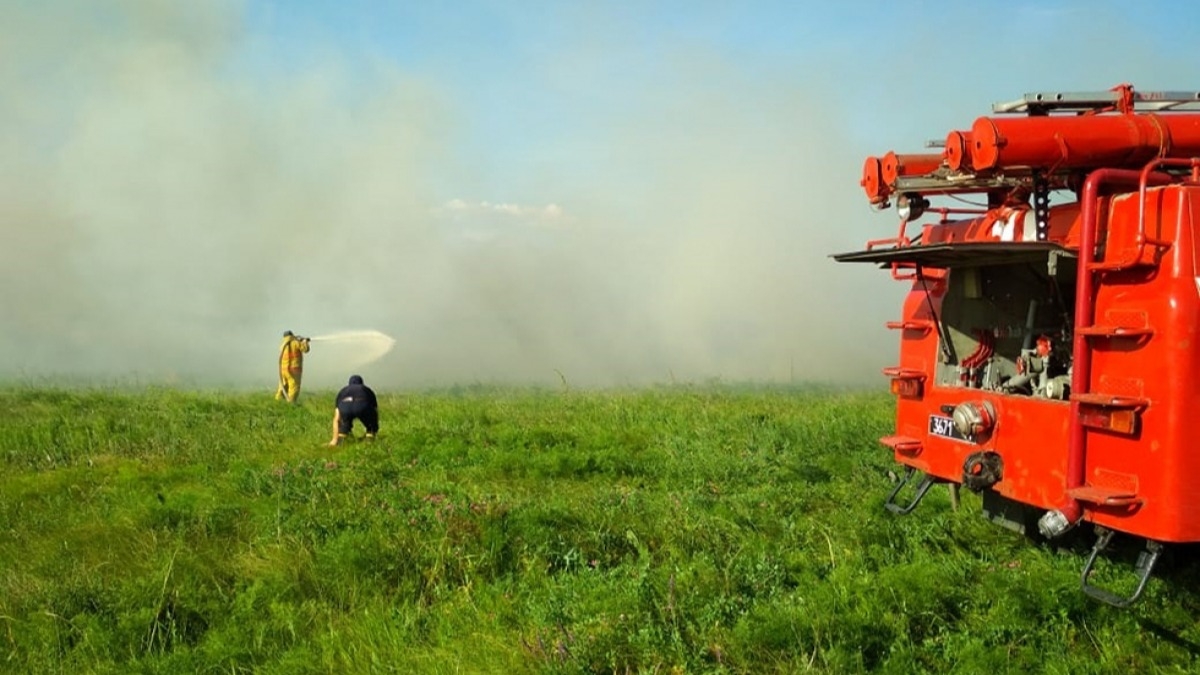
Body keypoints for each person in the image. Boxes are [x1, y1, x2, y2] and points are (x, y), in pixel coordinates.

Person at [329, 374, 379, 445]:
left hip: (345, 407)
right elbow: (375, 410)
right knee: (371, 425)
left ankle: (342, 438)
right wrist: (374, 425)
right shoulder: (366, 389)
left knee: (344, 425)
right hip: (362, 405)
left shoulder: (343, 390)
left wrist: (334, 439)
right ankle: (369, 439)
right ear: (361, 383)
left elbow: (336, 418)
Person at [275, 330, 311, 403]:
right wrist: (305, 342)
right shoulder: (295, 342)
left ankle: (278, 402)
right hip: (294, 371)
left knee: (282, 387)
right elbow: (305, 349)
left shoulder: (282, 344)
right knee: (293, 388)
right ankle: (291, 404)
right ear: (292, 335)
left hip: (283, 371)